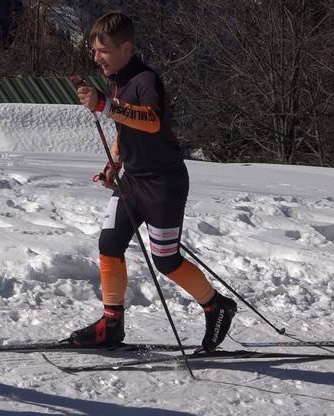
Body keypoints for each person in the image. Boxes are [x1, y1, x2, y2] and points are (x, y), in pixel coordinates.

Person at [71, 11, 237, 352]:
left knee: (165, 260)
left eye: (103, 50)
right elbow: (125, 130)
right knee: (110, 244)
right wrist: (112, 164)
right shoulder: (117, 78)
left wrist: (104, 104)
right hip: (133, 180)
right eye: (94, 50)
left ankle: (216, 305)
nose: (95, 57)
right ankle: (112, 323)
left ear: (127, 48)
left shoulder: (146, 80)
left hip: (164, 183)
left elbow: (150, 121)